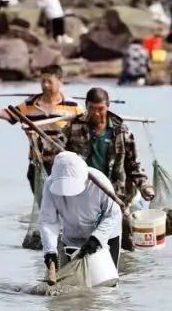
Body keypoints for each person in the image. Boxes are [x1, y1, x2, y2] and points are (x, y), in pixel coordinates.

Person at [63, 87, 154, 248]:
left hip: (115, 194)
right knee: (85, 239)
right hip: (85, 193)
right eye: (92, 108)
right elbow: (56, 152)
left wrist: (145, 186)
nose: (96, 113)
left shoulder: (121, 131)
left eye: (100, 109)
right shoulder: (74, 126)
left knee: (125, 238)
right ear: (86, 106)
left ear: (108, 106)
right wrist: (36, 138)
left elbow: (133, 165)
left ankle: (126, 270)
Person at [0, 65, 81, 193]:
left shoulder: (73, 106)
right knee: (44, 208)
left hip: (63, 164)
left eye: (49, 82)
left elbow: (84, 131)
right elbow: (7, 114)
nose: (45, 85)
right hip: (38, 163)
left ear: (61, 81)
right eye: (43, 81)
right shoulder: (30, 104)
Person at [40, 152, 123, 285]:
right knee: (73, 287)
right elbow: (48, 221)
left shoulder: (99, 182)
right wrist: (50, 251)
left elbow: (113, 214)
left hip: (105, 236)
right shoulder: (50, 185)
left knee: (105, 284)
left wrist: (97, 239)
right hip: (71, 237)